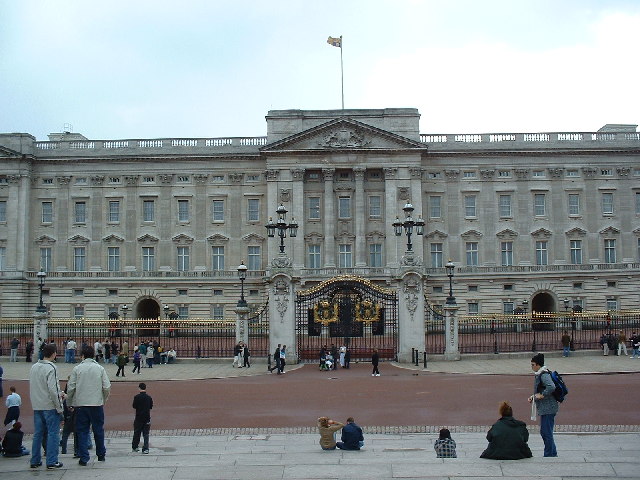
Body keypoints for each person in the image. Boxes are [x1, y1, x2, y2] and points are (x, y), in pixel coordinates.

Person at [67, 344, 111, 466]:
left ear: (82, 356)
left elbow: (71, 388)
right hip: (96, 404)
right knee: (98, 430)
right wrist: (103, 399)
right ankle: (101, 454)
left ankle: (84, 457)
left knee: (81, 431)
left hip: (81, 405)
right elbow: (107, 387)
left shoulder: (77, 369)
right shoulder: (100, 368)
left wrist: (69, 402)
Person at [29, 342, 64, 469]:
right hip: (49, 406)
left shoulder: (34, 367)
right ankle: (51, 460)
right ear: (54, 354)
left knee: (38, 433)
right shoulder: (51, 368)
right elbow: (53, 390)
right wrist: (60, 408)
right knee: (53, 433)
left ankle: (35, 460)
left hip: (37, 405)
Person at [528, 353, 559, 457]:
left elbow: (551, 386)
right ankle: (552, 452)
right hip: (546, 408)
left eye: (533, 365)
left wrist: (542, 395)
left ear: (538, 365)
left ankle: (550, 453)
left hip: (548, 408)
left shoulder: (544, 375)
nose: (532, 367)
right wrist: (534, 397)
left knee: (546, 432)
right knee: (545, 431)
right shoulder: (541, 374)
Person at [132, 382, 153, 454]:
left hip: (138, 418)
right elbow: (151, 406)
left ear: (139, 388)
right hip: (147, 418)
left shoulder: (136, 397)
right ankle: (146, 448)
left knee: (137, 433)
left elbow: (134, 406)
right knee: (146, 434)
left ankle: (135, 447)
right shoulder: (149, 397)